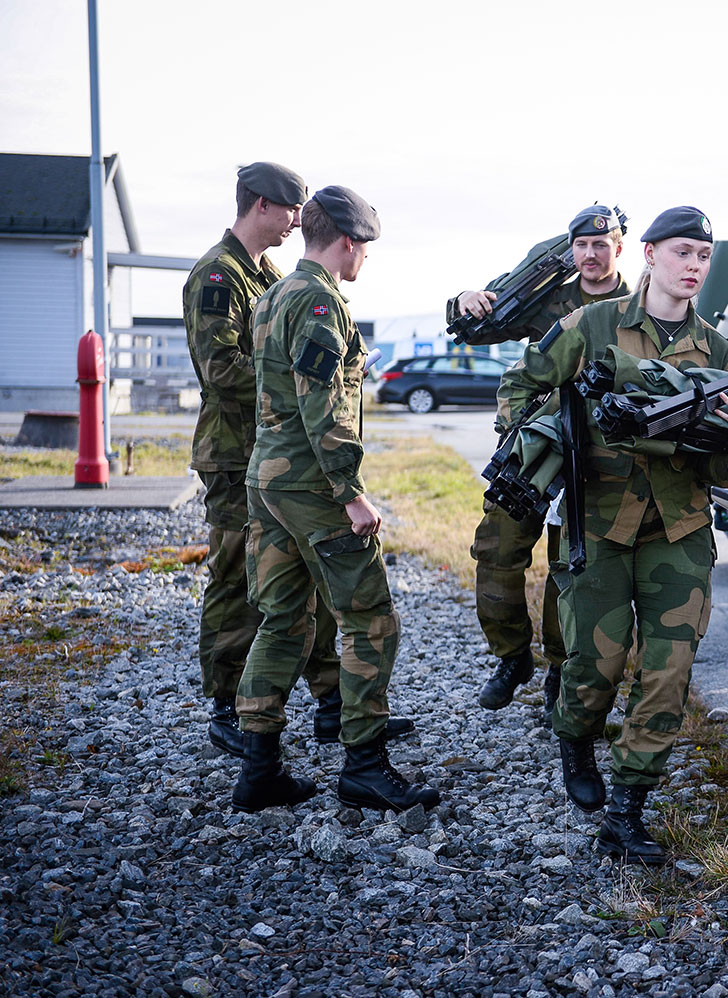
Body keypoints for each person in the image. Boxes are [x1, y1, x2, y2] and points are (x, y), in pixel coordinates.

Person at [496, 206, 728, 864]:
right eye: (682, 253)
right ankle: (575, 735)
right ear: (647, 253)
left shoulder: (719, 353)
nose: (694, 267)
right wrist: (551, 437)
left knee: (669, 669)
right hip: (601, 523)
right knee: (594, 667)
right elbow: (520, 385)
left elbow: (723, 462)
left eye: (703, 256)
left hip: (678, 528)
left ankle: (627, 810)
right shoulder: (592, 326)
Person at [234, 185, 436, 814]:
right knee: (370, 618)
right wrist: (350, 493)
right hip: (312, 486)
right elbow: (322, 405)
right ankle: (365, 767)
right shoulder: (321, 301)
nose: (365, 260)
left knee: (284, 620)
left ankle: (260, 770)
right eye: (365, 249)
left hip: (268, 481)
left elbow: (286, 387)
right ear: (348, 242)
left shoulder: (274, 296)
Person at [181, 162, 368, 758]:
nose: (297, 221)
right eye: (290, 210)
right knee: (239, 575)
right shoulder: (218, 275)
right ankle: (227, 706)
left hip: (279, 452)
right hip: (236, 453)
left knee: (304, 576)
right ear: (261, 205)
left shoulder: (271, 275)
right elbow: (218, 371)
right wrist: (290, 387)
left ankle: (333, 703)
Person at [451, 205, 631, 717]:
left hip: (600, 450)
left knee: (566, 565)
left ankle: (558, 666)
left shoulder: (637, 304)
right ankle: (512, 658)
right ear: (570, 249)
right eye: (582, 245)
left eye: (602, 244)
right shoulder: (550, 297)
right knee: (496, 547)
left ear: (619, 247)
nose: (591, 254)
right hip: (537, 445)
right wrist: (463, 299)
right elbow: (477, 329)